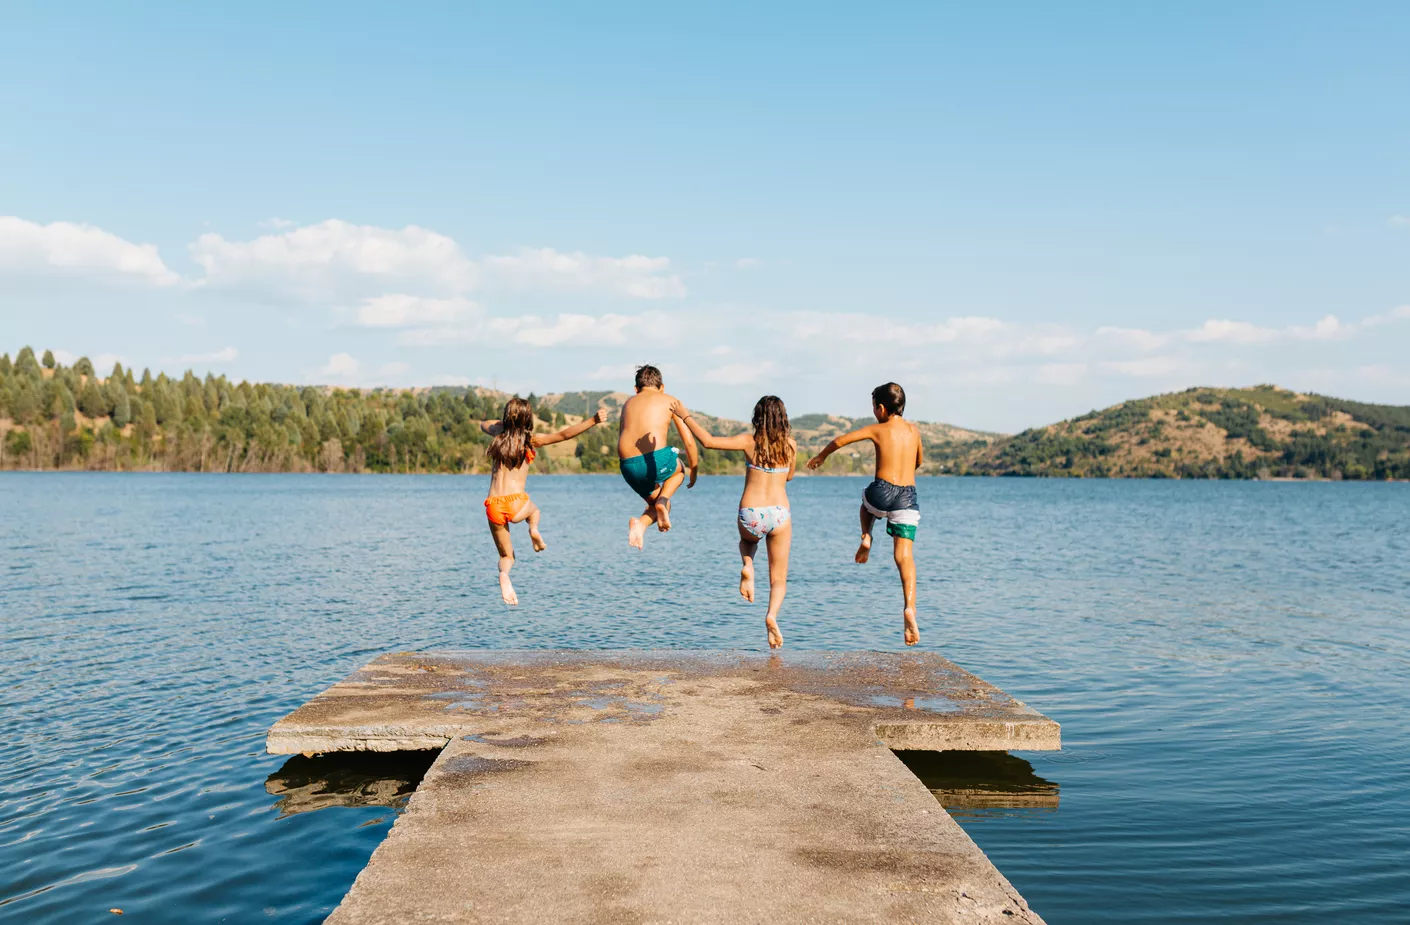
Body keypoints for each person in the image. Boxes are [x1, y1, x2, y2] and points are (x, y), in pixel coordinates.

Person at [671, 395, 796, 649]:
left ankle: (748, 564)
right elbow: (790, 477)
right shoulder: (791, 445)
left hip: (751, 512)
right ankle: (771, 615)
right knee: (778, 578)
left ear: (757, 418)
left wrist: (684, 414)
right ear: (783, 419)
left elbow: (708, 441)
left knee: (747, 542)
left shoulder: (748, 441)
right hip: (780, 514)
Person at [807, 382, 923, 645]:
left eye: (874, 407)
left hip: (881, 491)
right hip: (907, 496)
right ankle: (909, 608)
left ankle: (866, 536)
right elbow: (919, 461)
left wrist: (821, 457)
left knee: (866, 503)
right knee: (904, 557)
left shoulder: (878, 429)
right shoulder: (914, 431)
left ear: (881, 408)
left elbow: (839, 440)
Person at [481, 398, 609, 605]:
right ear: (528, 419)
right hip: (516, 503)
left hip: (493, 504)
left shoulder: (498, 434)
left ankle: (504, 576)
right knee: (534, 511)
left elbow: (482, 424)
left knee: (507, 556)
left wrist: (504, 425)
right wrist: (593, 420)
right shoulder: (531, 440)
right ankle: (533, 529)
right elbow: (564, 435)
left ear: (507, 417)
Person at [617, 365, 698, 548]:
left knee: (662, 506)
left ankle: (640, 525)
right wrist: (694, 470)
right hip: (656, 458)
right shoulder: (670, 400)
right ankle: (662, 501)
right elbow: (689, 442)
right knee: (679, 471)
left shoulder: (628, 403)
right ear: (662, 387)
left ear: (636, 389)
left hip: (627, 466)